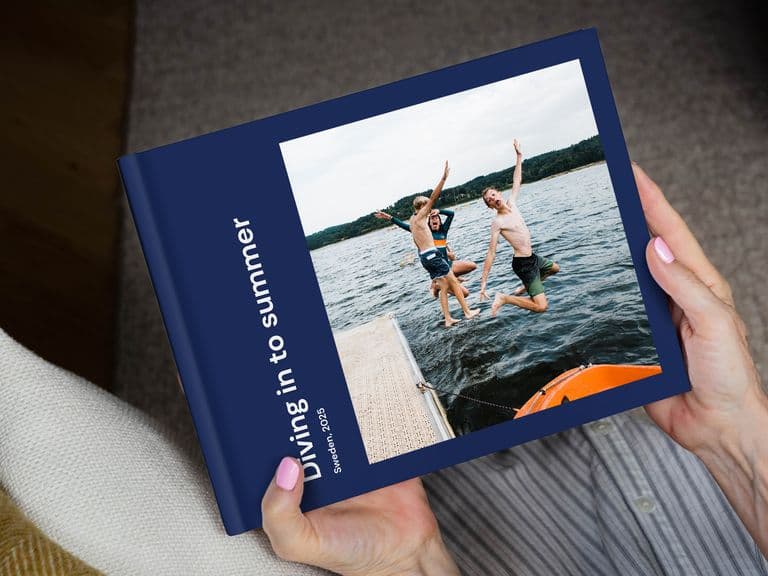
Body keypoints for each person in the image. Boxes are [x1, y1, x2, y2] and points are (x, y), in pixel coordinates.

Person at [260, 165, 768, 575]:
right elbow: (452, 230)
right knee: (458, 287)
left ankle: (460, 311)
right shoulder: (426, 223)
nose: (428, 212)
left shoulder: (459, 219)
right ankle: (470, 307)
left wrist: (739, 423)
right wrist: (407, 563)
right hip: (451, 266)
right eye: (424, 210)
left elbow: (459, 215)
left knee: (451, 288)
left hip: (458, 261)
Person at [478, 139, 561, 317]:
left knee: (554, 269)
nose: (493, 198)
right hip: (523, 264)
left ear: (499, 193)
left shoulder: (512, 203)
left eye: (493, 195)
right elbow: (491, 252)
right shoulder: (497, 222)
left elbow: (517, 179)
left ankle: (525, 287)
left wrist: (519, 156)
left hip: (532, 257)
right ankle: (505, 298)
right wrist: (483, 281)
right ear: (490, 206)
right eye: (489, 200)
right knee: (541, 307)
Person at [374, 207, 477, 298]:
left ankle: (448, 280)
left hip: (448, 265)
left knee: (472, 265)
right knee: (466, 294)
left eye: (436, 218)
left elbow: (451, 214)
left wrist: (438, 211)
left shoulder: (443, 231)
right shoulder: (424, 233)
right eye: (432, 219)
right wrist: (389, 217)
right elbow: (403, 225)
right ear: (428, 224)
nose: (434, 219)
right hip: (439, 270)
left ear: (440, 222)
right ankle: (438, 285)